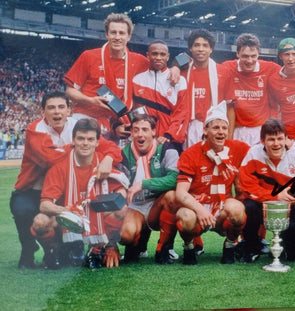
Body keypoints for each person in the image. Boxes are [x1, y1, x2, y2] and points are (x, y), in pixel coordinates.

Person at [9, 91, 121, 269]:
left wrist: (108, 158)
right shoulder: (35, 129)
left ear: (70, 109)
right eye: (51, 108)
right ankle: (30, 249)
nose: (57, 112)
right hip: (33, 187)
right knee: (24, 211)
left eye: (62, 107)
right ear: (43, 111)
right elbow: (48, 158)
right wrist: (78, 147)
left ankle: (63, 249)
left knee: (67, 218)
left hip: (63, 186)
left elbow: (110, 147)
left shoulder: (77, 126)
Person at [31, 118, 129, 270]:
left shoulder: (103, 162)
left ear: (97, 142)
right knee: (40, 221)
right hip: (70, 216)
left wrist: (107, 205)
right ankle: (54, 249)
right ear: (73, 140)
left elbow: (121, 191)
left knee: (122, 210)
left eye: (90, 139)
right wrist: (67, 210)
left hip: (95, 214)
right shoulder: (61, 166)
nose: (85, 143)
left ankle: (98, 248)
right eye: (81, 139)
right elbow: (45, 204)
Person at [64, 13, 180, 140]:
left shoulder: (139, 61)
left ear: (129, 36)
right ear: (106, 34)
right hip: (86, 118)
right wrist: (91, 101)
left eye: (121, 33)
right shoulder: (89, 56)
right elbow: (70, 90)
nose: (117, 37)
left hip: (117, 123)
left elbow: (165, 63)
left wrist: (176, 67)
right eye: (113, 32)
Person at [174, 101, 249, 264]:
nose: (221, 132)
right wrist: (200, 210)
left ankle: (230, 246)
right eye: (215, 128)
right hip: (197, 204)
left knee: (237, 210)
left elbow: (262, 150)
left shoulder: (237, 148)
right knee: (186, 217)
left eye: (224, 128)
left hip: (222, 203)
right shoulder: (190, 153)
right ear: (205, 130)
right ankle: (189, 246)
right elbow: (180, 192)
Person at [239, 118, 295, 262]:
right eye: (271, 139)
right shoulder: (253, 153)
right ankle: (252, 245)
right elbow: (248, 187)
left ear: (286, 138)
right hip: (264, 205)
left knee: (293, 248)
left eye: (280, 138)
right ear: (262, 141)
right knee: (248, 206)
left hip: (291, 206)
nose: (276, 143)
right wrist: (275, 196)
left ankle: (291, 246)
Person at [118, 114, 180, 264]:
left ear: (154, 132)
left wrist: (143, 183)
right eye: (136, 130)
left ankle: (163, 248)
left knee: (172, 196)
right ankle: (135, 245)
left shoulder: (167, 149)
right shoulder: (123, 154)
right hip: (135, 205)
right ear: (131, 133)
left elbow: (174, 179)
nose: (140, 134)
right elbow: (118, 184)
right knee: (126, 235)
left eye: (145, 130)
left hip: (157, 204)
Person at [220, 33, 281, 145]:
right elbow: (203, 66)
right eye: (245, 56)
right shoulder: (227, 67)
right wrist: (177, 66)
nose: (249, 60)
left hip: (261, 129)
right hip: (237, 129)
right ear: (237, 53)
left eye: (253, 56)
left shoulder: (270, 68)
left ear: (258, 54)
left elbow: (291, 72)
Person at [132, 40, 189, 150]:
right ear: (147, 55)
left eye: (162, 54)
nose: (158, 57)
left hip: (169, 140)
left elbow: (181, 113)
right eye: (154, 54)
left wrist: (168, 135)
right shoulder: (137, 80)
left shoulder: (179, 80)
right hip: (144, 140)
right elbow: (134, 110)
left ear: (168, 57)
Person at [182, 29, 223, 148]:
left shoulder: (222, 71)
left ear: (211, 49)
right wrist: (175, 66)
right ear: (190, 48)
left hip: (213, 124)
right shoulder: (182, 72)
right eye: (196, 45)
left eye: (205, 45)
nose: (200, 49)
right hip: (189, 125)